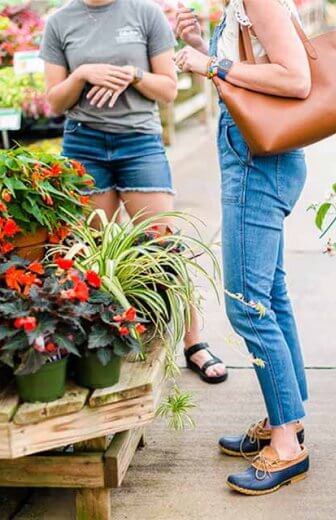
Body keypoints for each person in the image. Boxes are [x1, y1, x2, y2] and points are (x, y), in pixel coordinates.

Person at [39, 0, 227, 384]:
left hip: (139, 142)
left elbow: (169, 89)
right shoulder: (59, 21)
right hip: (84, 145)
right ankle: (104, 341)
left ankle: (194, 342)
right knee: (94, 251)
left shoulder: (145, 14)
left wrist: (134, 75)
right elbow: (55, 100)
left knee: (163, 244)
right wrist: (83, 75)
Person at [175, 0, 310, 495]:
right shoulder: (239, 5)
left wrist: (210, 63)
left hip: (259, 160)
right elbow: (251, 74)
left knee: (248, 306)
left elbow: (296, 79)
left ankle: (287, 446)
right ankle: (287, 419)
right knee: (269, 297)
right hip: (255, 154)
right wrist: (199, 47)